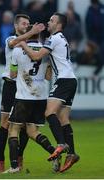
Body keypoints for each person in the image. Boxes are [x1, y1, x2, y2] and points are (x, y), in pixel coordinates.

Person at [18, 12, 80, 172]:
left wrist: (23, 43)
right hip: (71, 80)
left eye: (51, 20)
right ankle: (71, 153)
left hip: (64, 81)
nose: (48, 22)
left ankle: (61, 144)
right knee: (63, 118)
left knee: (49, 112)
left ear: (58, 25)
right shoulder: (61, 39)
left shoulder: (53, 39)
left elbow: (36, 56)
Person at [3, 27, 59, 173]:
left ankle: (14, 166)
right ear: (39, 34)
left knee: (13, 129)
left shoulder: (17, 50)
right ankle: (54, 153)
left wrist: (23, 73)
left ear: (25, 35)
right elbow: (48, 77)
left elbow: (13, 74)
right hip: (40, 97)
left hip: (23, 96)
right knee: (32, 131)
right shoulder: (46, 51)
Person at [0, 14, 31, 172]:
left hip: (24, 87)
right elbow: (13, 43)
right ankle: (1, 158)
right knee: (5, 124)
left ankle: (19, 156)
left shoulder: (31, 43)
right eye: (24, 23)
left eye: (28, 24)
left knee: (24, 125)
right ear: (17, 26)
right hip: (10, 86)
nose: (26, 26)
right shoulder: (10, 39)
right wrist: (30, 33)